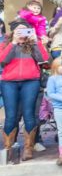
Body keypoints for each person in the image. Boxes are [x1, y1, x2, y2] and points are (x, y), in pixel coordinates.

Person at [1, 19, 49, 160]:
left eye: (25, 30)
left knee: (29, 114)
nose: (22, 33)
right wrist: (13, 43)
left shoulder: (32, 44)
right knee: (10, 116)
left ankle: (28, 148)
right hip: (9, 82)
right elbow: (2, 60)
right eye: (19, 30)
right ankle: (8, 149)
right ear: (14, 32)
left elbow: (44, 61)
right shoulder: (5, 44)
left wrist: (37, 43)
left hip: (31, 82)